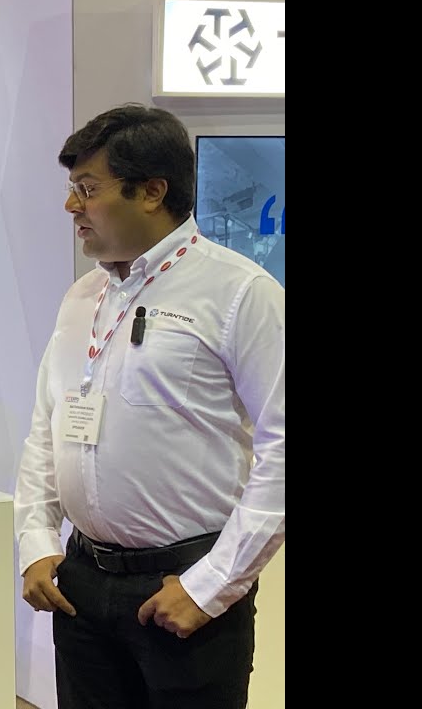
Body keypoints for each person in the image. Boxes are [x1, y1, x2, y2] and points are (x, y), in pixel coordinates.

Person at [15, 103, 284, 709]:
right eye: (72, 188)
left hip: (183, 585)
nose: (71, 205)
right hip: (80, 587)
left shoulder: (241, 294)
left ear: (153, 192)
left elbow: (283, 448)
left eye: (89, 189)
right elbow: (46, 428)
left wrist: (212, 585)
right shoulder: (82, 297)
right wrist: (35, 539)